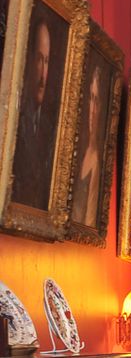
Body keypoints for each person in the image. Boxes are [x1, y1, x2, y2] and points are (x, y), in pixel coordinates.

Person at [9, 15, 64, 212]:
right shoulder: (13, 118)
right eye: (40, 59)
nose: (43, 75)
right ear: (29, 60)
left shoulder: (53, 126)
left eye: (47, 61)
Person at [68, 60, 111, 230]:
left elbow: (90, 223)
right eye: (91, 99)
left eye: (97, 100)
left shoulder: (96, 159)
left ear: (100, 108)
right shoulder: (73, 148)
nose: (93, 109)